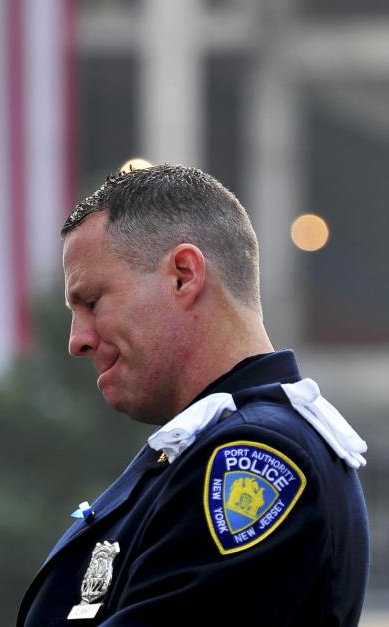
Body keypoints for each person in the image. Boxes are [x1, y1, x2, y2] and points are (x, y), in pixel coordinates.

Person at [18, 164, 370, 626]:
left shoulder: (252, 457)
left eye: (92, 301)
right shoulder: (202, 452)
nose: (77, 340)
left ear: (184, 275)